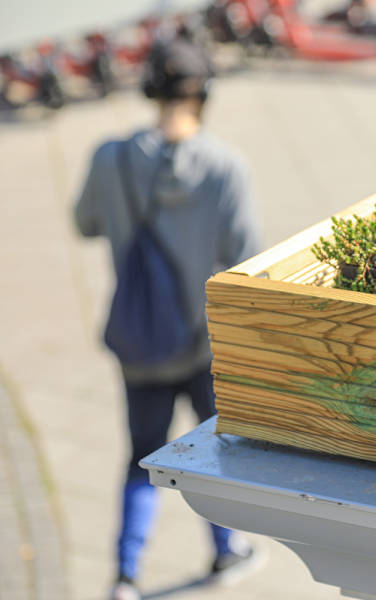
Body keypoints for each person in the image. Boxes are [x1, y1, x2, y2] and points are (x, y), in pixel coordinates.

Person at [74, 36, 264, 600]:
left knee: (138, 459)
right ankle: (226, 550)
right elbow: (248, 255)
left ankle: (126, 576)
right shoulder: (226, 168)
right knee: (216, 456)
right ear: (205, 93)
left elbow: (83, 223)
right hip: (200, 342)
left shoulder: (109, 157)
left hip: (137, 344)